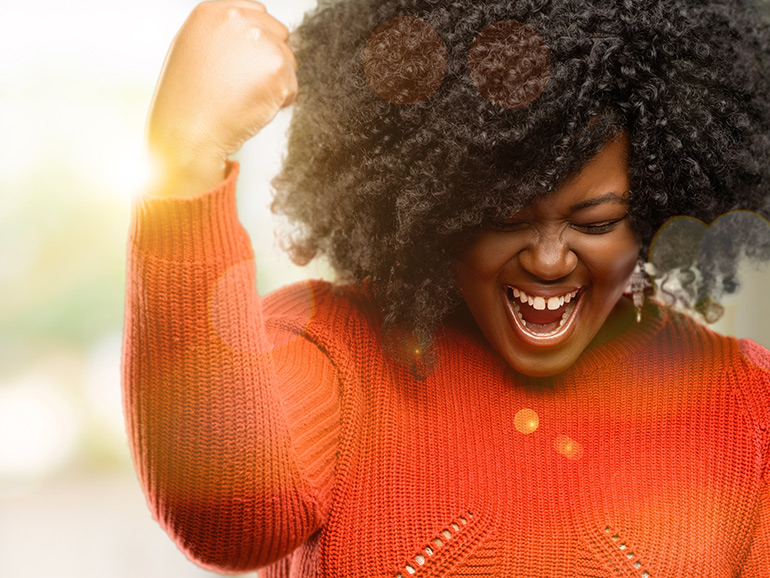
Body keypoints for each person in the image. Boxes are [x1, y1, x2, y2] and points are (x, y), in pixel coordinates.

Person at [124, 0, 770, 575]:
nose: (548, 260)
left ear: (661, 201)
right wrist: (187, 156)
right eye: (504, 218)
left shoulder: (747, 408)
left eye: (596, 222)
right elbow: (227, 514)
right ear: (433, 203)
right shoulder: (332, 353)